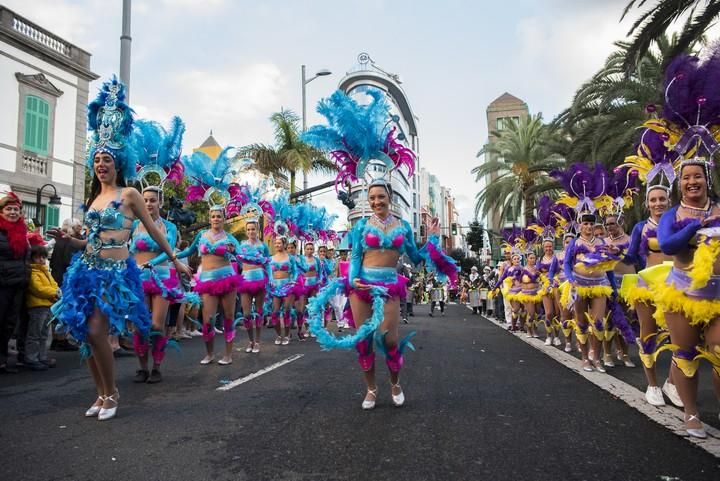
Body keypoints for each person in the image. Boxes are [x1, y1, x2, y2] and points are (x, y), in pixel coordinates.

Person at [301, 90, 458, 409]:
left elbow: (414, 258)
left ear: (389, 197)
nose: (376, 201)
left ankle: (396, 383)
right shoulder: (361, 227)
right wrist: (355, 277)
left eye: (381, 197)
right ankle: (371, 389)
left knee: (389, 338)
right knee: (365, 342)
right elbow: (355, 257)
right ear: (367, 199)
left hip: (388, 285)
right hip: (361, 286)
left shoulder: (401, 226)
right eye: (372, 198)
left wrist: (430, 238)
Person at [49, 77, 191, 421]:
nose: (101, 164)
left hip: (114, 275)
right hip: (86, 271)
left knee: (98, 331)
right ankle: (99, 394)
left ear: (118, 164)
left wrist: (176, 261)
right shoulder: (94, 199)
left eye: (107, 160)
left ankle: (112, 393)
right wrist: (70, 241)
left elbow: (157, 233)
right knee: (84, 335)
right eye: (97, 159)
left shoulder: (128, 195)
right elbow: (92, 241)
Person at [620, 131, 681, 407]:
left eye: (662, 199)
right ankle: (653, 384)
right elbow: (632, 256)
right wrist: (611, 258)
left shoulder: (680, 223)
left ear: (669, 201)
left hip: (678, 285)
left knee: (682, 338)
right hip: (648, 286)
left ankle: (671, 381)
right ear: (647, 203)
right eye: (653, 200)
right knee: (649, 334)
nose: (658, 203)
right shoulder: (640, 228)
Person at [556, 163, 618, 373]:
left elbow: (609, 266)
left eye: (591, 224)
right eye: (585, 224)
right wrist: (571, 280)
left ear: (594, 226)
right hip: (579, 285)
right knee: (581, 323)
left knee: (599, 323)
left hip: (600, 285)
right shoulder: (573, 243)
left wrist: (614, 287)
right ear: (580, 225)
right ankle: (584, 357)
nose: (588, 227)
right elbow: (565, 263)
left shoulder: (602, 243)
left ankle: (597, 357)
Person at [0, 192, 29, 374]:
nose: (12, 212)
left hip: (18, 283)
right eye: (8, 209)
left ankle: (2, 359)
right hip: (2, 283)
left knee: (10, 323)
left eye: (16, 209)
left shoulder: (22, 230)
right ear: (1, 212)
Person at [236, 218, 270, 353]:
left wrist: (270, 278)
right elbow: (238, 261)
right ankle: (250, 340)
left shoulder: (263, 246)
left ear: (258, 230)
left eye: (253, 229)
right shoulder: (242, 245)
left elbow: (268, 263)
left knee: (259, 312)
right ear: (246, 231)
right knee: (246, 314)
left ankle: (258, 341)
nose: (251, 231)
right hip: (245, 281)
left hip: (260, 280)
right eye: (248, 229)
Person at [25, 244, 59, 371]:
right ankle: (31, 358)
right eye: (38, 257)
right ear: (32, 258)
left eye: (43, 257)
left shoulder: (44, 270)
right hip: (37, 306)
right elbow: (38, 289)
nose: (42, 260)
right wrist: (54, 292)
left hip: (47, 305)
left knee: (44, 334)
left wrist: (57, 290)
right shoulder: (33, 272)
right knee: (35, 334)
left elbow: (53, 283)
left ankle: (42, 356)